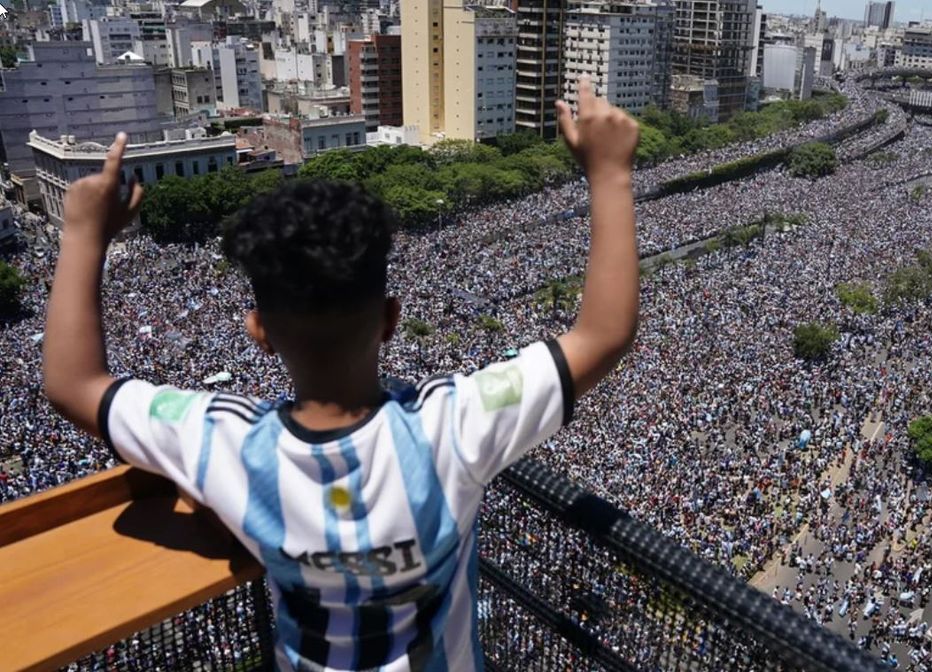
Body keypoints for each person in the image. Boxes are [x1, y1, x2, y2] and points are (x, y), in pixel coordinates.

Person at [41, 75, 641, 672]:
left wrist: (83, 234)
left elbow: (76, 384)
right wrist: (609, 172)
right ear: (389, 319)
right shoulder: (453, 426)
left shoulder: (223, 442)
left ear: (260, 332)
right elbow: (602, 335)